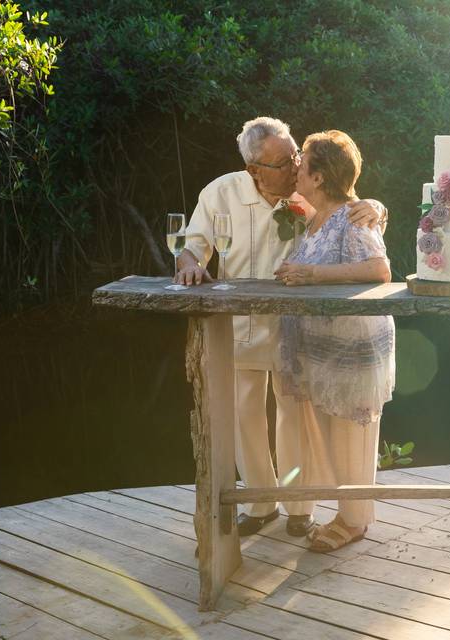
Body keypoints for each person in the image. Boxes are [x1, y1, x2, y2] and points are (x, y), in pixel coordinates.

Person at [175, 117, 388, 538]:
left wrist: (379, 208)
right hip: (238, 325)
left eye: (295, 157)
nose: (294, 167)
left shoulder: (305, 188)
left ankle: (299, 506)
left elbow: (349, 215)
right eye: (282, 161)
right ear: (255, 169)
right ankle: (259, 502)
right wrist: (187, 263)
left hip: (296, 329)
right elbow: (191, 246)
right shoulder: (220, 192)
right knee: (244, 413)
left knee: (295, 416)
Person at [273, 130, 394, 552]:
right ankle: (344, 511)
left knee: (349, 434)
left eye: (301, 163)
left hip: (351, 348)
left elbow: (378, 270)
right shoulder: (314, 217)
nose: (295, 170)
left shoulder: (352, 217)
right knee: (331, 434)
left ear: (319, 177)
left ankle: (354, 521)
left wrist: (312, 275)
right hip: (322, 350)